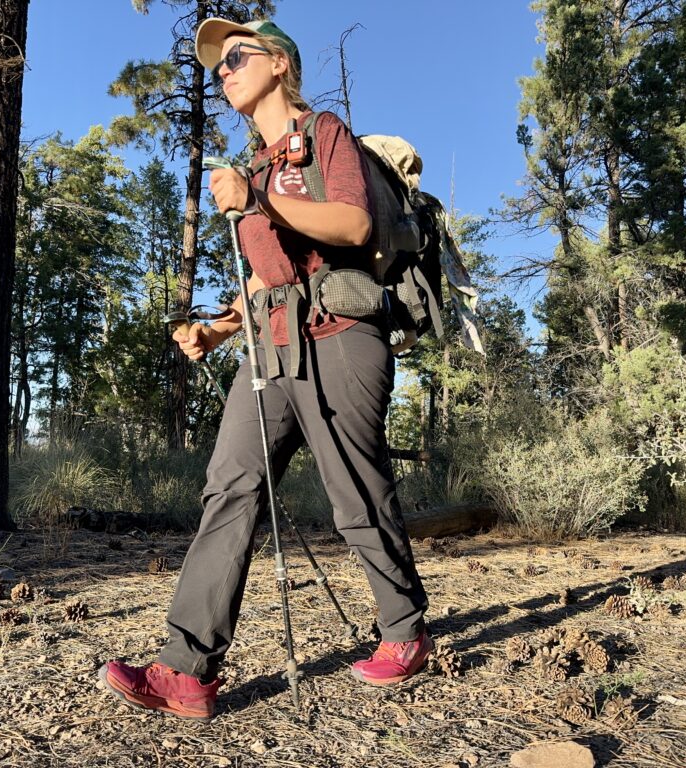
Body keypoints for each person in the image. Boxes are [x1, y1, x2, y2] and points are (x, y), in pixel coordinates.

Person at [98, 17, 430, 721]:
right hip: (269, 345)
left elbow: (354, 227)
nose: (224, 71)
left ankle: (404, 631)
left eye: (237, 56)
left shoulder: (325, 134)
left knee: (353, 491)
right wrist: (218, 332)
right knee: (230, 487)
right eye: (218, 66)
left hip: (339, 334)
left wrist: (260, 200)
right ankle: (185, 668)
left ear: (279, 63)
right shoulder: (248, 167)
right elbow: (264, 277)